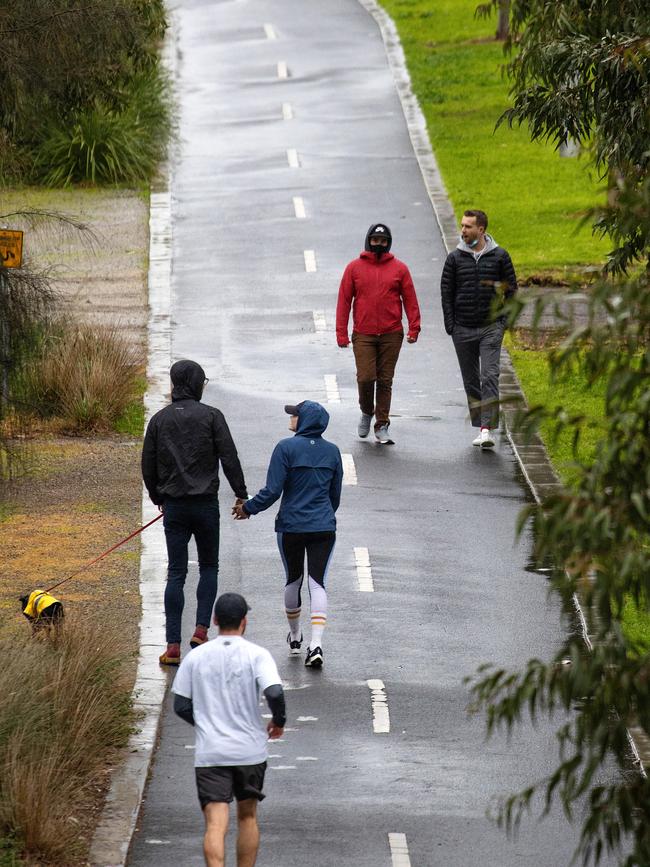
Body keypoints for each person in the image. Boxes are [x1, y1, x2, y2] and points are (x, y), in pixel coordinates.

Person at [142, 359, 249, 665]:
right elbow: (229, 456)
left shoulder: (159, 421)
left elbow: (148, 464)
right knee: (208, 567)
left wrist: (157, 496)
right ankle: (201, 629)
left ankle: (172, 645)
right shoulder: (212, 417)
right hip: (205, 504)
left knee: (176, 573)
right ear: (197, 383)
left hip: (174, 505)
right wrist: (241, 494)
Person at [172, 592, 285, 867]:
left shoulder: (196, 657)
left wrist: (207, 724)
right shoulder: (257, 655)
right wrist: (278, 721)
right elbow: (275, 691)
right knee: (247, 817)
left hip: (212, 753)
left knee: (215, 823)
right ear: (244, 621)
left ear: (214, 620)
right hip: (250, 751)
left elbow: (181, 705)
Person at [232, 401, 343, 668]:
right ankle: (316, 645)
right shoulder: (333, 452)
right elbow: (334, 496)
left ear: (302, 420)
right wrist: (322, 514)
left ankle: (295, 637)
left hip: (291, 526)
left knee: (293, 580)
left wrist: (248, 508)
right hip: (323, 527)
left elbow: (273, 490)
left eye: (295, 414)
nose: (291, 417)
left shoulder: (285, 448)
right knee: (317, 583)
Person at [336, 223, 421, 444]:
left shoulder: (400, 269)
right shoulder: (354, 268)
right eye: (375, 240)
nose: (379, 245)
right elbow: (344, 301)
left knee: (385, 380)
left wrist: (414, 327)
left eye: (383, 241)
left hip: (392, 333)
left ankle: (382, 424)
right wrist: (341, 333)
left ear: (388, 243)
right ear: (368, 241)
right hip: (363, 334)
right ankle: (366, 411)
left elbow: (410, 299)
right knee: (365, 378)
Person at [440, 209, 518, 448]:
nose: (463, 230)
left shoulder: (500, 256)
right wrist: (451, 325)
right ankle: (480, 423)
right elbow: (446, 292)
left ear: (481, 230)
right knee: (471, 380)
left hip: (490, 328)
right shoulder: (454, 259)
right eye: (462, 226)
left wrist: (503, 321)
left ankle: (486, 429)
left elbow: (511, 291)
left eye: (468, 226)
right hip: (462, 328)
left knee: (489, 376)